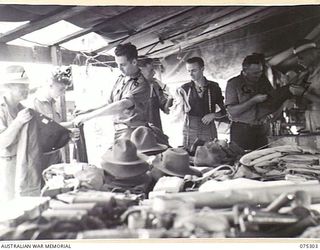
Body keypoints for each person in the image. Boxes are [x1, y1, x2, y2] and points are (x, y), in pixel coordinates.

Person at [225, 54, 304, 150]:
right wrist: (253, 100)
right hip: (242, 130)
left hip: (262, 129)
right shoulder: (233, 84)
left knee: (262, 158)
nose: (258, 75)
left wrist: (286, 97)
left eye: (260, 72)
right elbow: (232, 111)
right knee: (241, 159)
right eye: (255, 73)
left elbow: (272, 101)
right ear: (245, 71)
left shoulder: (263, 81)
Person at [73, 43, 150, 140]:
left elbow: (120, 105)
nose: (119, 68)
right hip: (119, 131)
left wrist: (88, 117)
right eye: (117, 64)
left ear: (134, 62)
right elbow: (110, 103)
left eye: (123, 65)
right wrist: (87, 111)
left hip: (134, 133)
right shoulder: (121, 78)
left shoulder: (142, 84)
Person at [27, 66, 80, 174]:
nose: (63, 93)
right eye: (61, 89)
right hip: (40, 156)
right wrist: (67, 132)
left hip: (55, 153)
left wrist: (72, 126)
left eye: (65, 89)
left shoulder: (53, 102)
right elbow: (36, 133)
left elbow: (55, 126)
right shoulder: (33, 103)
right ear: (50, 84)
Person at [176, 57, 226, 152]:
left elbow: (225, 111)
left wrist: (213, 115)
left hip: (208, 127)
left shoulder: (214, 87)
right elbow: (177, 112)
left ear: (202, 69)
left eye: (194, 70)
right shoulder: (184, 89)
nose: (190, 74)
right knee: (189, 155)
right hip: (190, 128)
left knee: (211, 154)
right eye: (188, 71)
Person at [0, 65, 33, 201]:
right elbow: (2, 142)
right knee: (8, 206)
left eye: (27, 85)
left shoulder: (23, 109)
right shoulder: (1, 110)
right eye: (22, 86)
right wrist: (18, 122)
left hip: (24, 164)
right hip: (6, 166)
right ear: (8, 87)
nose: (26, 89)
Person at [291, 39, 320, 132]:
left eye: (301, 57)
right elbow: (304, 104)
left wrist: (304, 93)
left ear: (313, 54)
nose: (299, 62)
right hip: (312, 123)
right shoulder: (307, 75)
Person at [139, 58, 173, 132]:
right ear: (140, 71)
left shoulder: (155, 86)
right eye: (151, 70)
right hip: (139, 133)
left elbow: (166, 109)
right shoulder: (129, 88)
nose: (154, 73)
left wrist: (170, 97)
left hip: (156, 130)